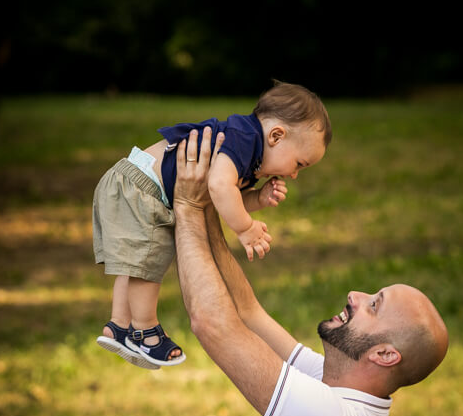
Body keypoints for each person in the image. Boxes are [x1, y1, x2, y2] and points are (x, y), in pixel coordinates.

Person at [173, 128, 448, 416]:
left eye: (374, 305)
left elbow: (214, 325)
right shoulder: (339, 384)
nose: (355, 295)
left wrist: (184, 206)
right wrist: (209, 207)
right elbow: (248, 313)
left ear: (385, 355)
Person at [92, 81, 331, 369]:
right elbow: (219, 186)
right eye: (299, 164)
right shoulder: (245, 139)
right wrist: (245, 228)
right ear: (276, 136)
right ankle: (145, 330)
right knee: (148, 261)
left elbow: (227, 195)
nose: (294, 174)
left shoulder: (249, 150)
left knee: (135, 262)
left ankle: (119, 325)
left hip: (131, 180)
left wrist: (259, 197)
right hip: (144, 188)